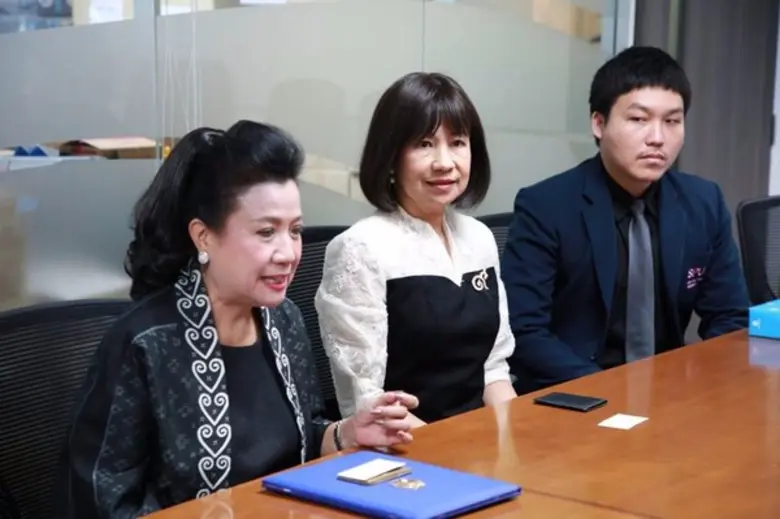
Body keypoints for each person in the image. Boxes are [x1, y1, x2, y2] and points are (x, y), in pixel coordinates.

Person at [54, 121, 419, 518]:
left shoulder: (284, 320)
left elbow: (302, 440)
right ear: (204, 236)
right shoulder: (145, 343)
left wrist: (347, 433)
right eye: (266, 232)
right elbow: (102, 500)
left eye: (295, 231)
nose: (288, 253)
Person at [501, 46, 749, 394]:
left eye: (672, 121)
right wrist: (610, 390)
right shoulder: (546, 206)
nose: (657, 138)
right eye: (638, 119)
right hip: (575, 393)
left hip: (669, 393)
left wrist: (696, 381)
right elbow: (523, 332)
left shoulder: (703, 202)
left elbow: (730, 316)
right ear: (599, 124)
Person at [314, 72, 517, 427]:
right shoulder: (361, 248)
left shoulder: (480, 238)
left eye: (457, 142)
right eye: (424, 144)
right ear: (391, 156)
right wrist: (446, 448)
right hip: (401, 445)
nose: (444, 162)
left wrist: (518, 435)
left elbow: (493, 370)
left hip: (477, 439)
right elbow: (366, 403)